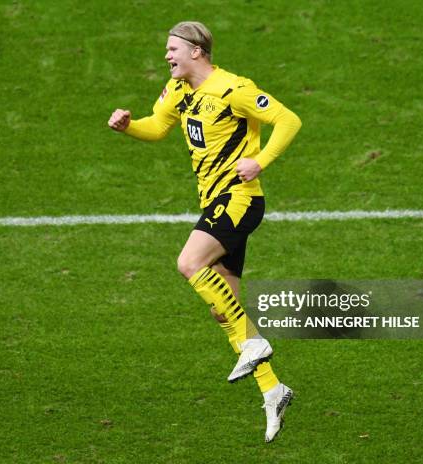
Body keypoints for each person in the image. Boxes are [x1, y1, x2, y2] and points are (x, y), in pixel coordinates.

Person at [108, 21, 302, 443]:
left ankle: (255, 348)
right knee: (224, 309)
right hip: (213, 202)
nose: (166, 56)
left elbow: (288, 120)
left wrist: (261, 161)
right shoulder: (178, 90)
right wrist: (128, 127)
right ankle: (273, 389)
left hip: (239, 199)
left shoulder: (234, 89)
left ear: (197, 51)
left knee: (189, 262)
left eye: (173, 48)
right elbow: (157, 127)